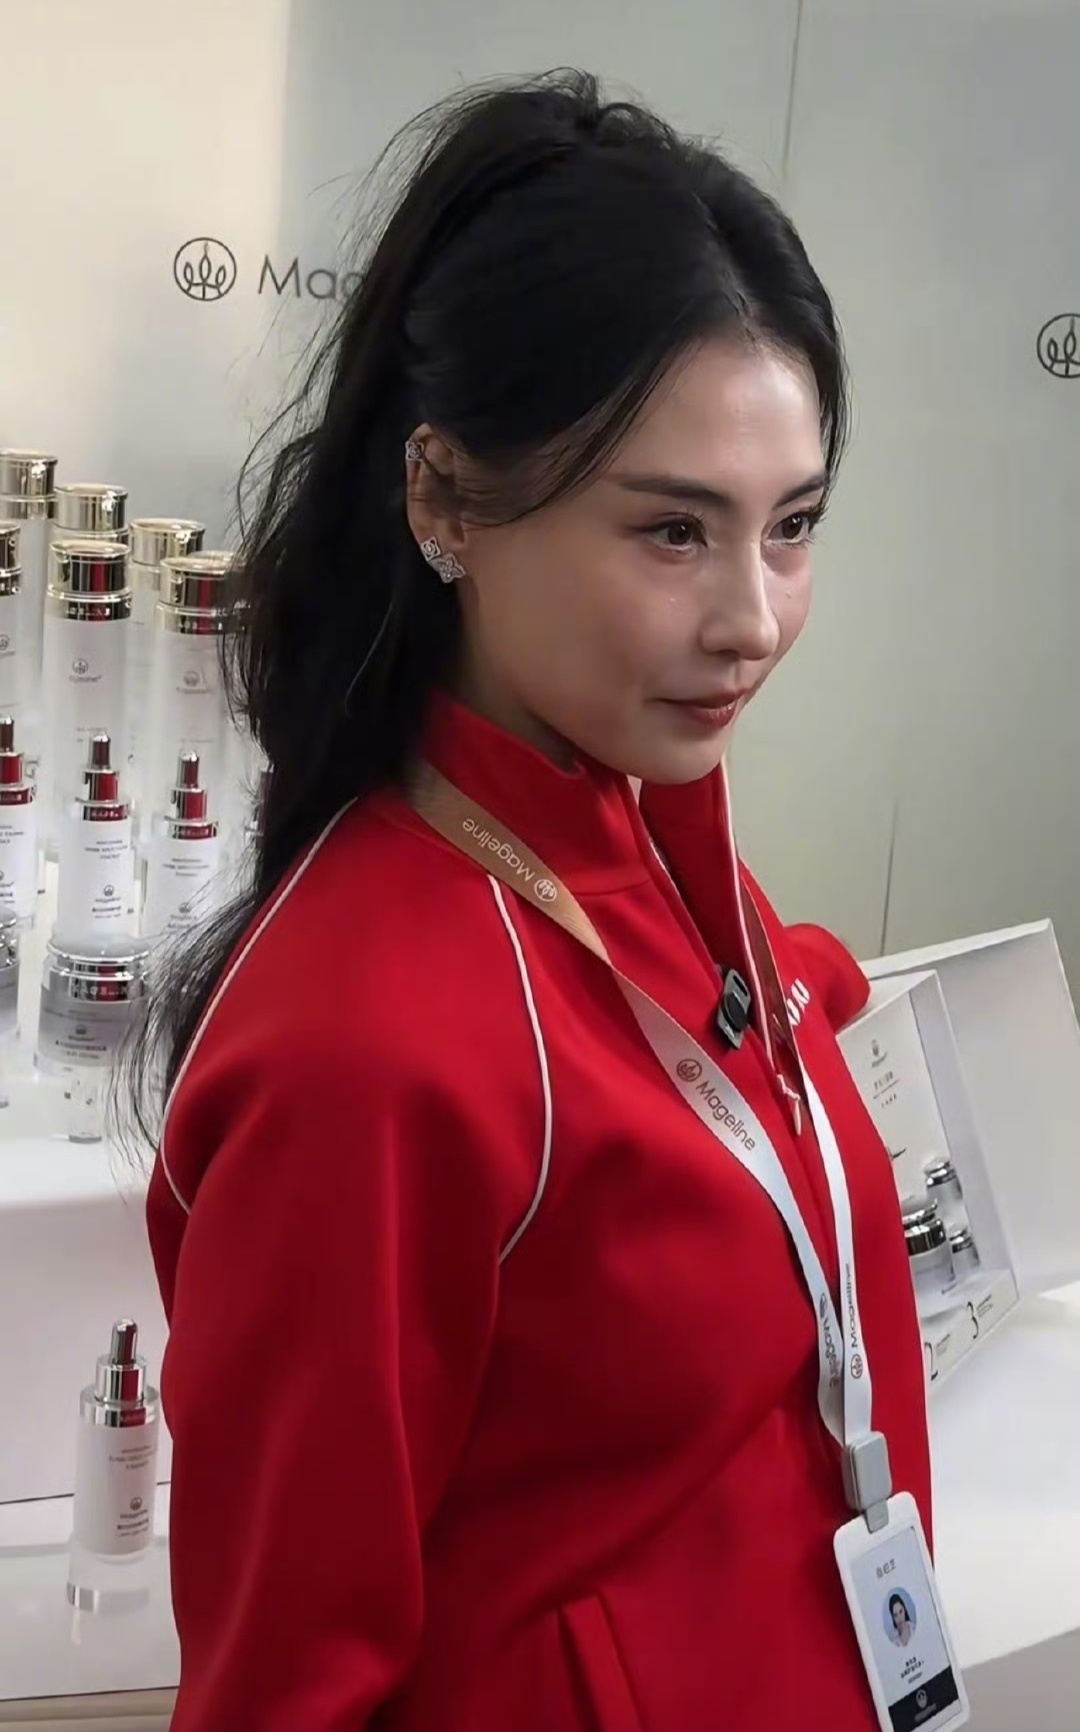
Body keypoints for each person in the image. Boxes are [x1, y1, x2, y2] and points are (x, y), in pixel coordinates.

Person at [140, 69, 931, 1732]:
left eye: (792, 527)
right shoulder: (365, 1052)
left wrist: (810, 998)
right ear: (443, 499)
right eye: (673, 533)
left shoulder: (640, 833)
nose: (755, 619)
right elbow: (283, 1690)